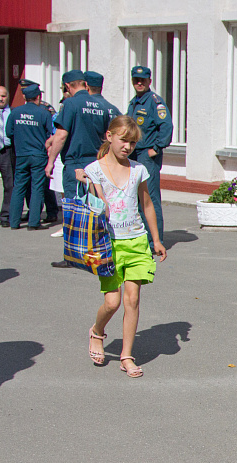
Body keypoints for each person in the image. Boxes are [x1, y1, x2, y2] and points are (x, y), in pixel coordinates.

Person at [79, 115, 167, 378]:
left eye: (132, 143)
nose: (127, 147)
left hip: (137, 240)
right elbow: (98, 203)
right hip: (108, 243)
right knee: (112, 302)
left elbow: (147, 204)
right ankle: (97, 331)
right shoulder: (94, 169)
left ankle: (126, 355)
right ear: (109, 136)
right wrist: (92, 190)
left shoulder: (139, 169)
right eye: (123, 140)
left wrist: (157, 239)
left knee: (132, 299)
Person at [46, 70, 116, 267]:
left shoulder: (70, 103)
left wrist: (51, 161)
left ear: (67, 86)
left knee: (73, 209)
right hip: (95, 162)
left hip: (75, 162)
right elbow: (106, 136)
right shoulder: (102, 105)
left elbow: (61, 135)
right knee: (95, 208)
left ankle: (72, 257)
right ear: (84, 84)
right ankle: (98, 253)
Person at [126, 66, 172, 246]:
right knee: (137, 197)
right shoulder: (135, 101)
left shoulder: (154, 102)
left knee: (150, 198)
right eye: (136, 80)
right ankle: (143, 236)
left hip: (147, 155)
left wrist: (157, 147)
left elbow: (166, 126)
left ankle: (155, 241)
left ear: (149, 81)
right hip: (135, 154)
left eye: (142, 80)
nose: (139, 83)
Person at [5, 83, 52, 230]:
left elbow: (9, 132)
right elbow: (49, 134)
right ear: (38, 97)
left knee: (18, 186)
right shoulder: (44, 113)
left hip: (21, 154)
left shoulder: (15, 112)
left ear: (25, 97)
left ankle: (14, 222)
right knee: (37, 187)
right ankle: (33, 222)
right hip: (38, 154)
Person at [0, 85, 14, 227]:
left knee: (9, 185)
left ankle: (6, 216)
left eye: (3, 96)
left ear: (7, 96)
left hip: (7, 151)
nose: (1, 99)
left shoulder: (13, 112)